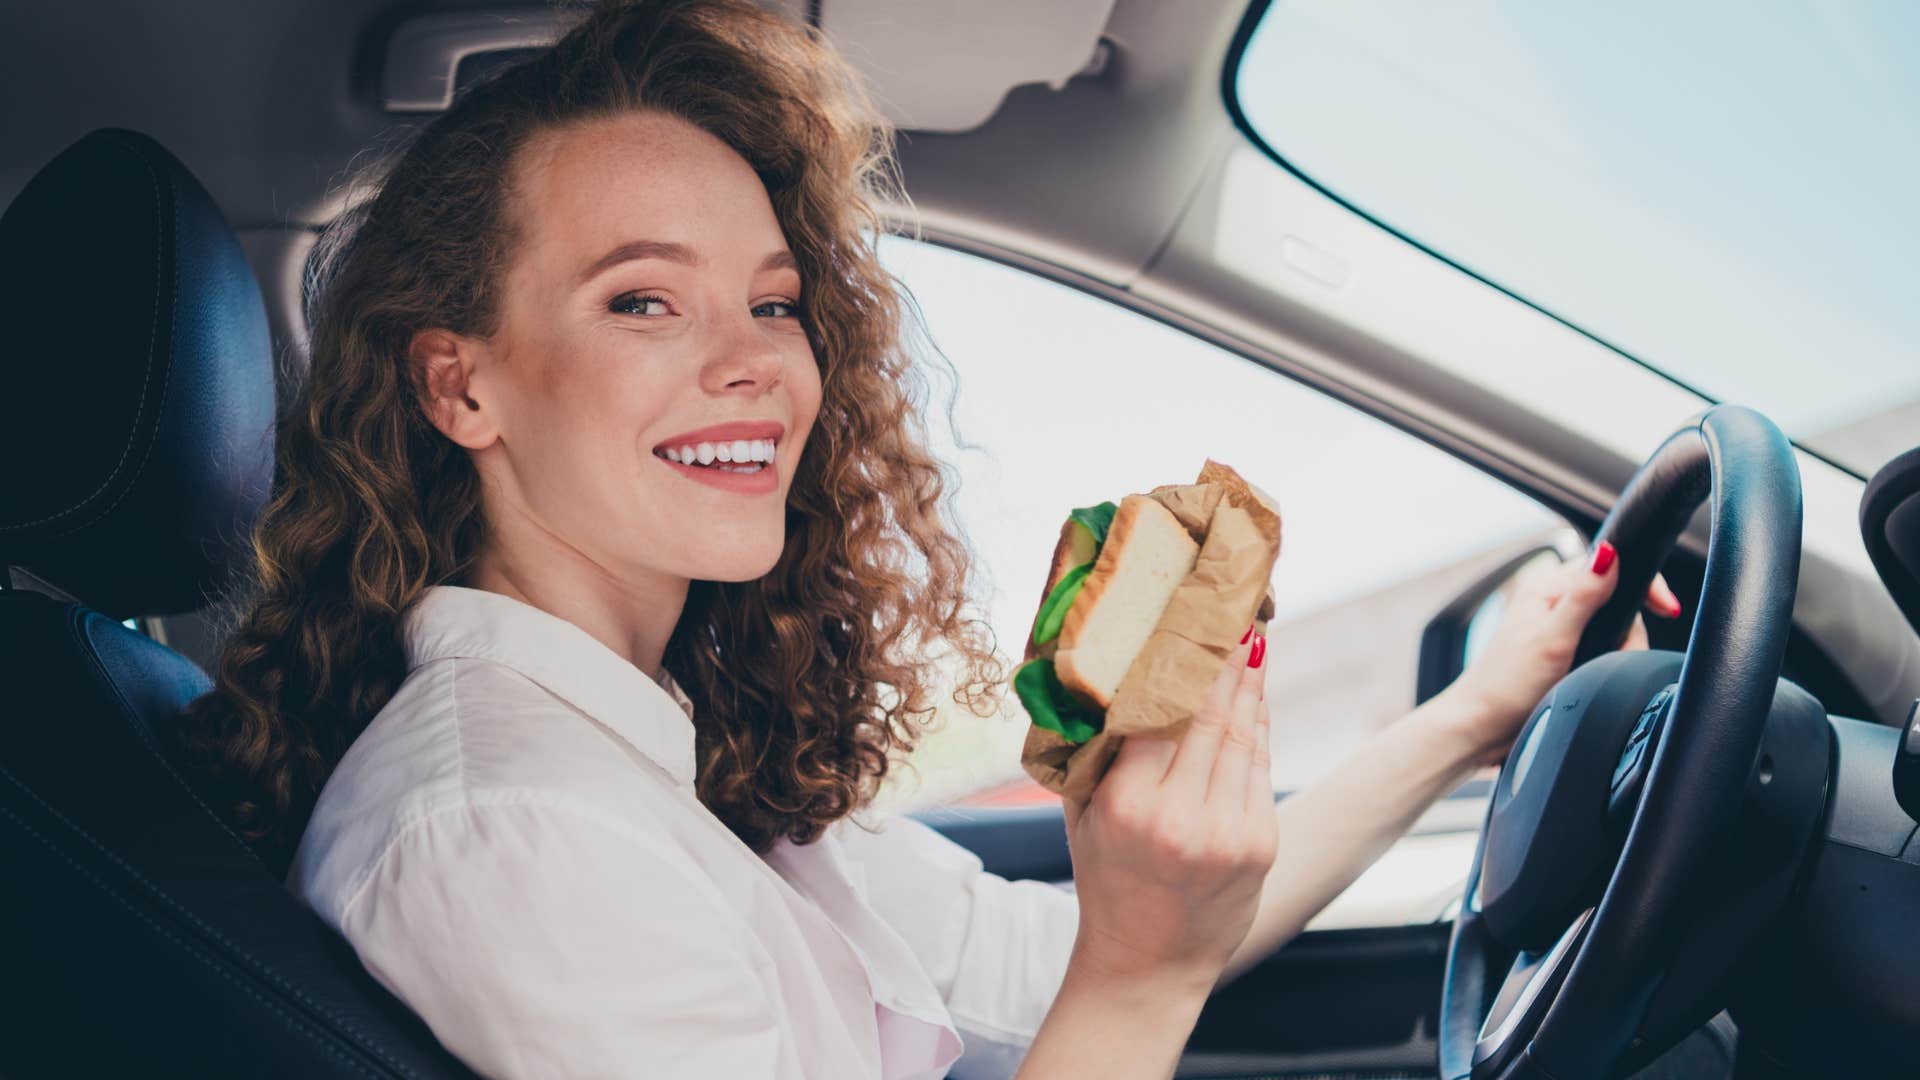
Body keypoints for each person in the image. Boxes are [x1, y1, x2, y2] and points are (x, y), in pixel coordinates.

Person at [171, 1, 1680, 1077]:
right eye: (642, 297)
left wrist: (1477, 716)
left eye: (772, 301)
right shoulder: (513, 831)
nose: (757, 360)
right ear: (464, 382)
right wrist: (1143, 977)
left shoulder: (660, 751)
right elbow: (1116, 981)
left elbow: (1050, 970)